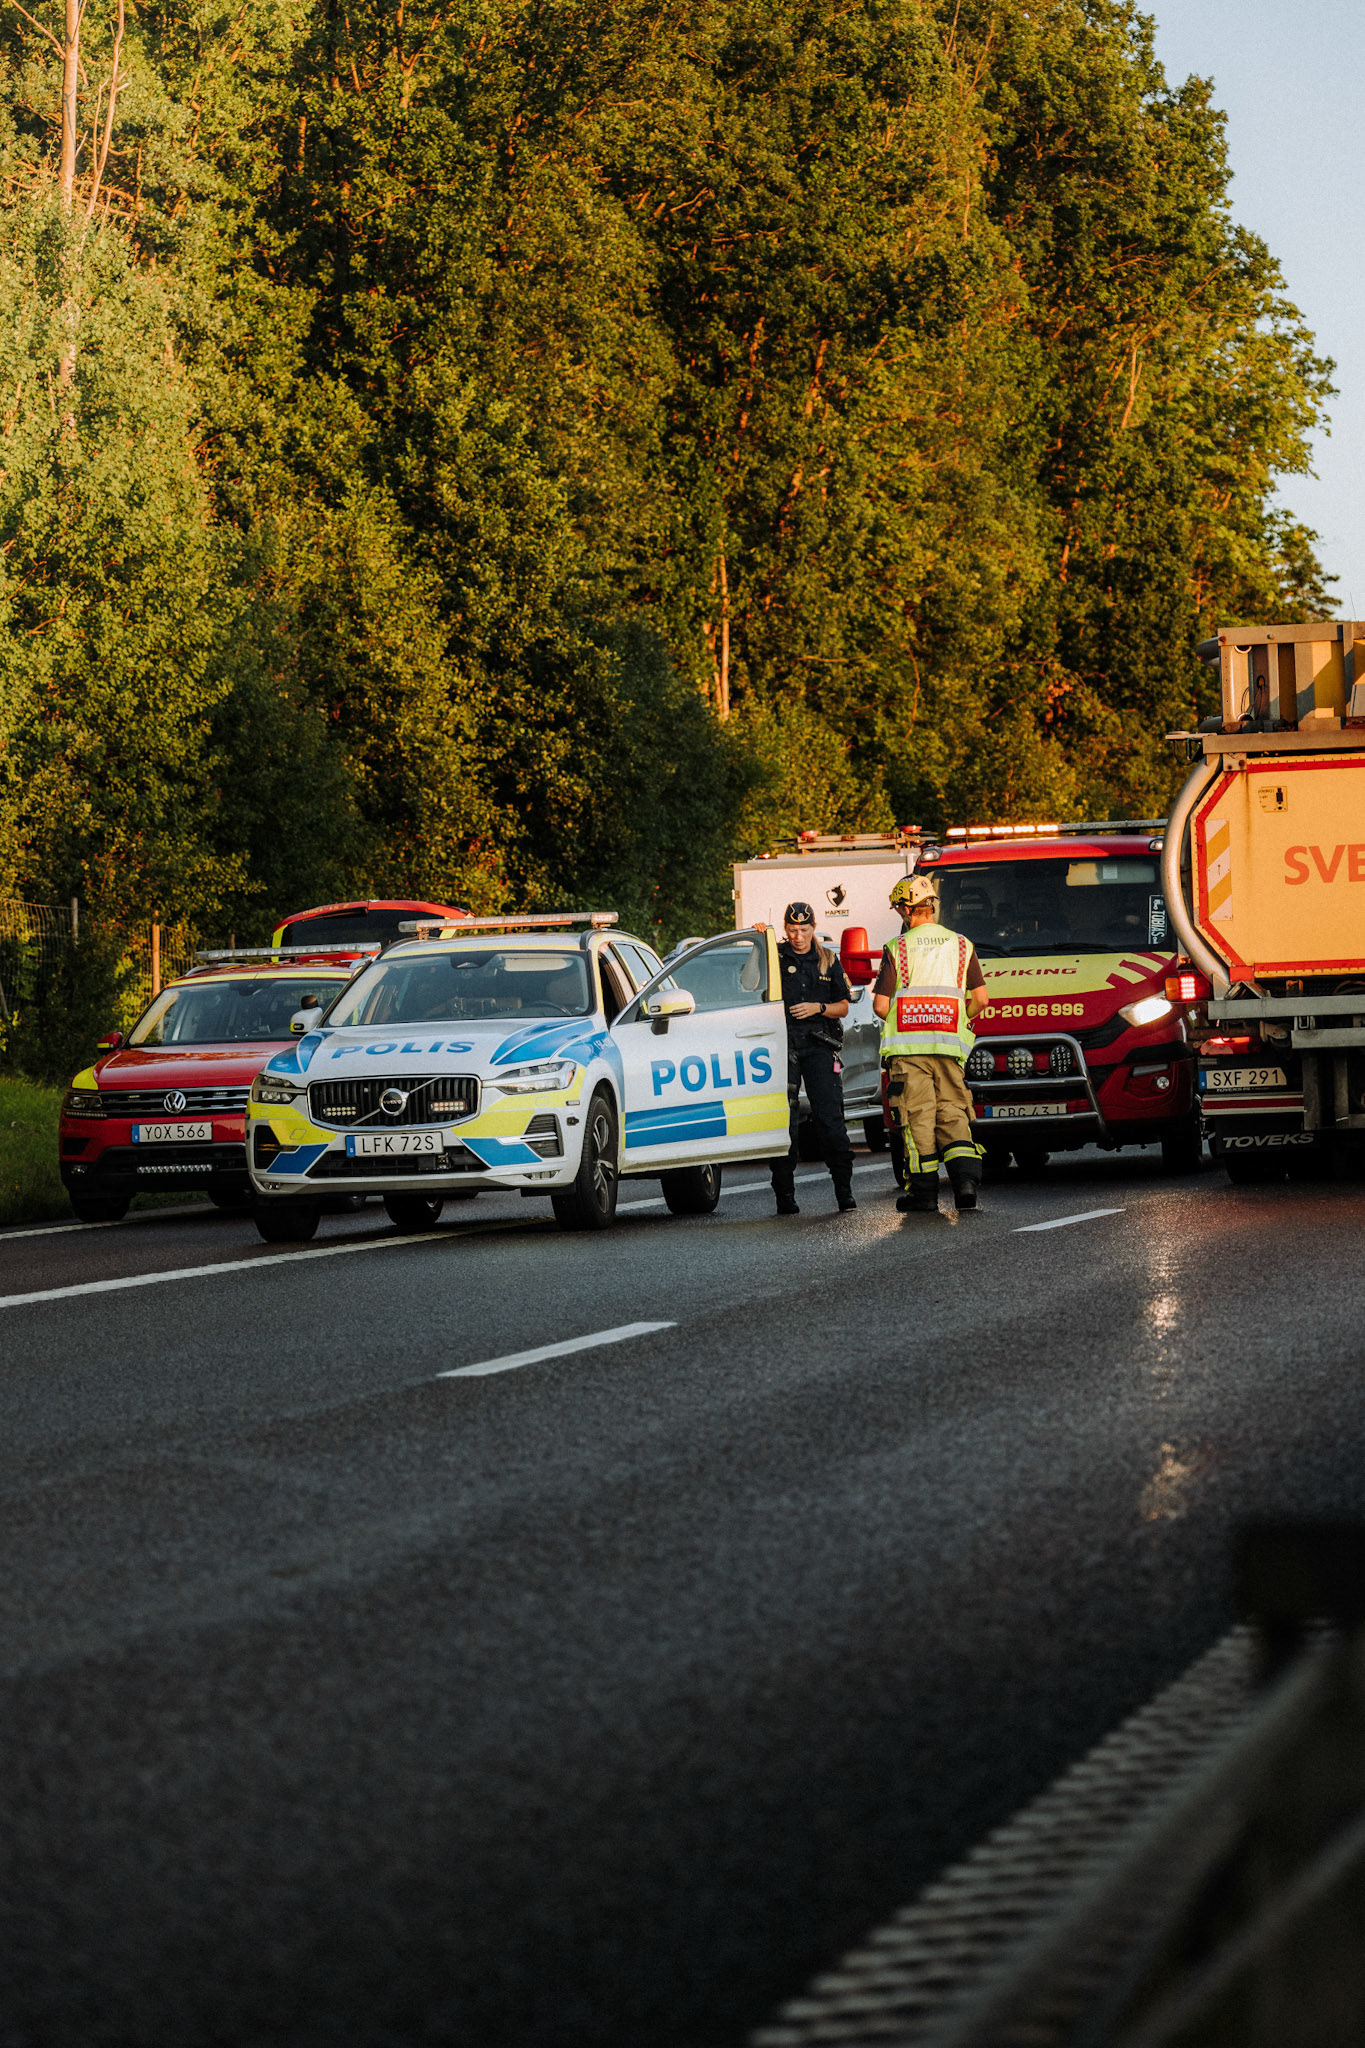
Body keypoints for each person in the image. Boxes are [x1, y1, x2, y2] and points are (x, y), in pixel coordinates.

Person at [873, 873, 990, 1214]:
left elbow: (880, 1006)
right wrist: (956, 1020)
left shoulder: (898, 948)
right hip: (949, 1047)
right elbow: (981, 1000)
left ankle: (923, 1194)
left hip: (909, 1051)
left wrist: (906, 1019)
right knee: (953, 1111)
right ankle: (966, 1185)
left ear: (906, 909)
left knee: (918, 1117)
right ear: (932, 906)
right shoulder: (962, 945)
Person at [770, 901, 855, 1216]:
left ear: (813, 928)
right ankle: (784, 1196)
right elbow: (750, 983)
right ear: (785, 929)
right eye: (792, 930)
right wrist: (759, 941)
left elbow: (843, 1005)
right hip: (785, 1047)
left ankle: (844, 1192)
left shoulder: (828, 959)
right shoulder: (774, 956)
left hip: (819, 1045)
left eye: (804, 930)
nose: (798, 936)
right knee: (784, 1122)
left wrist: (817, 1008)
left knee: (830, 1120)